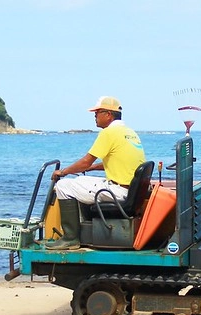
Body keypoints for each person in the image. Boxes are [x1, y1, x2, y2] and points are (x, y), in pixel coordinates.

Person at [48, 96, 145, 250]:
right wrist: (92, 168)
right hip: (130, 190)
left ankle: (71, 238)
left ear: (108, 114)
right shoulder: (129, 132)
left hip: (118, 192)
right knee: (80, 181)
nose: (95, 116)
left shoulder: (109, 133)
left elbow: (86, 161)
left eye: (97, 112)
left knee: (63, 186)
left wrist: (63, 172)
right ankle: (86, 225)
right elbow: (118, 160)